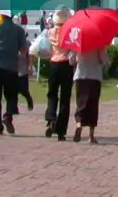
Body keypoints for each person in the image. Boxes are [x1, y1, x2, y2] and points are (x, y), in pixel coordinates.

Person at [44, 9, 73, 140]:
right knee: (65, 98)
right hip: (66, 64)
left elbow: (47, 49)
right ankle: (61, 131)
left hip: (54, 63)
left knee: (52, 94)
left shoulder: (49, 32)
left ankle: (51, 119)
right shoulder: (70, 33)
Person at [71, 46, 107, 144]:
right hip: (94, 77)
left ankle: (79, 124)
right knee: (93, 106)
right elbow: (104, 61)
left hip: (80, 76)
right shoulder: (99, 43)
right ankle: (91, 136)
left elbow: (71, 60)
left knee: (80, 103)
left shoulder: (78, 42)